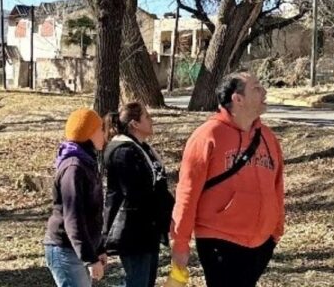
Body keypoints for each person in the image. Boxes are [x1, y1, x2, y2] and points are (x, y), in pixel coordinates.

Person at [169, 72, 285, 287]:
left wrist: (276, 230)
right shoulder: (208, 135)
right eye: (256, 88)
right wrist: (181, 243)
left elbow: (277, 186)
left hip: (262, 241)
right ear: (237, 99)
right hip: (219, 239)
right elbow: (187, 192)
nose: (264, 91)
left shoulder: (268, 137)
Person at [103, 102, 174, 287]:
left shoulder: (144, 149)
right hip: (133, 232)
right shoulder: (123, 152)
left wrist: (170, 213)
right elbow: (136, 193)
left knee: (146, 282)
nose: (152, 120)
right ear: (134, 124)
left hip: (149, 230)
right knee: (137, 282)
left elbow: (158, 187)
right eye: (147, 117)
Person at [44, 108, 108, 287]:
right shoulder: (74, 169)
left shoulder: (86, 162)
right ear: (89, 133)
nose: (104, 133)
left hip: (77, 249)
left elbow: (92, 215)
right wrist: (90, 259)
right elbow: (74, 219)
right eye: (101, 129)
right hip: (65, 250)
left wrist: (99, 248)